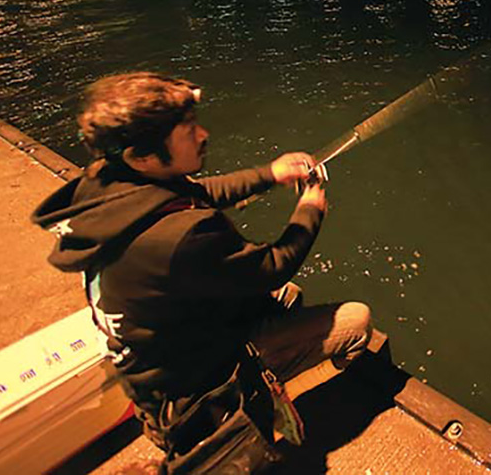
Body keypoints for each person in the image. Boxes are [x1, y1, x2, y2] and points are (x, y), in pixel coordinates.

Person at [32, 72, 372, 464]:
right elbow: (275, 266)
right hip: (198, 392)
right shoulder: (183, 236)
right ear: (142, 156)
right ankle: (270, 406)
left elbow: (194, 193)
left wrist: (270, 174)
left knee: (288, 299)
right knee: (355, 320)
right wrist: (309, 213)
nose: (203, 134)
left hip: (153, 374)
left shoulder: (107, 185)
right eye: (188, 130)